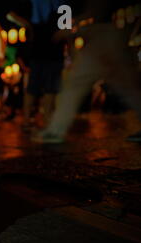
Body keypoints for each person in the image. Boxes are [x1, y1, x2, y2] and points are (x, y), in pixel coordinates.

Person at [32, 0, 141, 143]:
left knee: (76, 84)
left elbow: (99, 10)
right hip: (109, 34)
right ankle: (55, 130)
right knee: (128, 87)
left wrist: (75, 26)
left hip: (104, 34)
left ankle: (55, 130)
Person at [8, 0, 67, 130]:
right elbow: (66, 28)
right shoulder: (61, 4)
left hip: (41, 50)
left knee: (34, 88)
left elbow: (11, 14)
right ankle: (45, 122)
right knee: (48, 89)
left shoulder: (37, 2)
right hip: (52, 51)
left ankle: (28, 121)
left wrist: (29, 26)